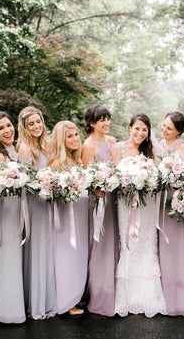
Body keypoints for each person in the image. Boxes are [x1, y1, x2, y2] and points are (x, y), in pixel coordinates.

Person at [112, 113, 167, 317]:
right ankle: (126, 298)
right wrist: (125, 186)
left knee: (146, 246)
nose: (140, 133)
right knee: (128, 245)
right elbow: (114, 177)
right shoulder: (118, 148)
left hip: (146, 205)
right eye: (137, 128)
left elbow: (155, 179)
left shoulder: (150, 151)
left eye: (144, 130)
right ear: (129, 127)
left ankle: (148, 297)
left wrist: (144, 182)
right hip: (126, 205)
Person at [0, 112, 26, 324]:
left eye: (9, 125)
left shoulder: (14, 151)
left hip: (17, 210)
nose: (7, 130)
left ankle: (19, 304)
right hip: (5, 213)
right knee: (8, 259)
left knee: (16, 258)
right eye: (1, 128)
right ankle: (9, 312)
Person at [17, 106, 57, 319]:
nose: (36, 126)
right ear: (24, 127)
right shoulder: (24, 148)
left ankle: (46, 298)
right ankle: (36, 303)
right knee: (36, 250)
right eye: (31, 123)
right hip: (33, 205)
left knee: (47, 249)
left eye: (38, 122)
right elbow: (21, 181)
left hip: (47, 203)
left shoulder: (46, 146)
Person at [48, 121, 89, 316]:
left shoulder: (77, 160)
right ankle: (66, 301)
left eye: (76, 135)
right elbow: (53, 191)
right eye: (69, 136)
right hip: (66, 217)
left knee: (78, 256)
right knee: (66, 256)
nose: (75, 139)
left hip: (80, 214)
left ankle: (75, 295)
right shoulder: (57, 162)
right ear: (61, 140)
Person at [81, 105, 118, 316]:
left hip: (112, 198)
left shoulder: (112, 141)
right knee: (99, 246)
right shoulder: (89, 145)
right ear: (92, 123)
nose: (106, 123)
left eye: (108, 119)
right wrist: (98, 187)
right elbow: (87, 178)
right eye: (102, 120)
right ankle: (99, 295)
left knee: (113, 243)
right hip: (98, 201)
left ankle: (113, 291)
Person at [158, 111, 184, 317]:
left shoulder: (182, 147)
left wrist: (172, 173)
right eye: (163, 126)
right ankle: (161, 296)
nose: (164, 130)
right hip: (158, 200)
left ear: (179, 131)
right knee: (160, 246)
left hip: (174, 201)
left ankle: (178, 300)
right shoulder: (158, 145)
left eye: (169, 128)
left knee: (174, 246)